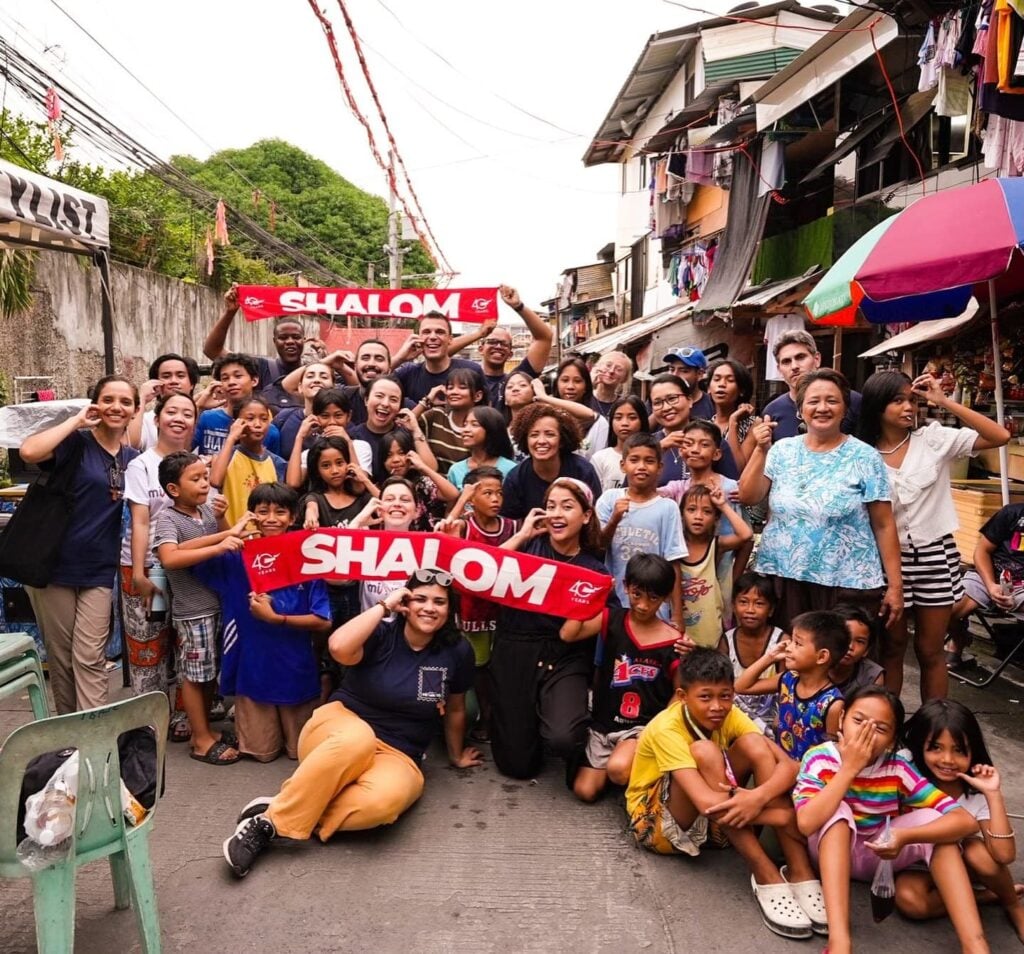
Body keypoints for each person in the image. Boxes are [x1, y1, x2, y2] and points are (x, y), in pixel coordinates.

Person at [222, 570, 481, 878]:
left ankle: (285, 806)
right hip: (340, 728)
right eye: (420, 599)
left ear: (449, 610)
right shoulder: (381, 633)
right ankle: (267, 827)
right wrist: (384, 606)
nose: (429, 608)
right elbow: (337, 647)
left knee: (384, 804)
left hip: (400, 751)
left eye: (439, 602)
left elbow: (454, 709)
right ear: (405, 603)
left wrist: (456, 754)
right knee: (358, 739)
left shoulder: (458, 651)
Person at [626, 649, 823, 940]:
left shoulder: (729, 713)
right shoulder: (667, 728)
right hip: (659, 825)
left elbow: (790, 766)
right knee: (705, 751)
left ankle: (798, 869)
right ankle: (764, 872)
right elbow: (707, 804)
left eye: (726, 695)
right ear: (683, 696)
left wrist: (758, 797)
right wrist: (783, 815)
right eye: (705, 697)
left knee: (755, 745)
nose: (717, 706)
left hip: (721, 819)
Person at [793, 686, 988, 954]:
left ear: (893, 737)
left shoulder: (897, 767)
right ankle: (840, 941)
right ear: (841, 720)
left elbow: (965, 821)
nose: (866, 733)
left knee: (935, 822)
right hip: (829, 851)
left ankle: (975, 945)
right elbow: (806, 823)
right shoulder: (819, 758)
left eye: (880, 729)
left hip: (879, 853)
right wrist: (850, 768)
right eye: (858, 721)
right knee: (837, 812)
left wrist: (906, 837)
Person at [857, 370, 1009, 701]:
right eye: (898, 401)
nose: (909, 407)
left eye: (912, 400)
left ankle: (933, 726)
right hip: (885, 560)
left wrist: (944, 402)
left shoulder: (934, 440)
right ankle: (891, 725)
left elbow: (999, 436)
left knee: (930, 649)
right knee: (892, 648)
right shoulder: (861, 452)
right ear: (878, 405)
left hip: (934, 556)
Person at [739, 369, 902, 631]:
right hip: (783, 576)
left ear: (845, 408)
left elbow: (884, 524)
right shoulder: (782, 450)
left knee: (840, 663)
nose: (822, 408)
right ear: (800, 409)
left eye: (832, 401)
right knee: (790, 656)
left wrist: (895, 586)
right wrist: (760, 449)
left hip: (846, 581)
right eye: (813, 401)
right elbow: (748, 496)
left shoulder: (865, 457)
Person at [21, 375, 140, 714]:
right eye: (108, 399)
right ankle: (68, 734)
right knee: (61, 658)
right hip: (53, 564)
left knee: (90, 655)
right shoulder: (76, 443)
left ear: (134, 410)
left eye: (125, 401)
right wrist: (75, 421)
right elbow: (30, 450)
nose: (116, 407)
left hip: (99, 569)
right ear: (95, 404)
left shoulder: (132, 458)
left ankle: (93, 732)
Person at [191, 483, 332, 762]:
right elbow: (179, 555)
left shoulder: (309, 558)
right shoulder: (236, 555)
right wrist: (229, 531)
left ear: (293, 518)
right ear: (251, 515)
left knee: (301, 753)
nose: (271, 518)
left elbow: (323, 620)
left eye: (280, 512)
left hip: (296, 670)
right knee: (261, 754)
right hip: (252, 670)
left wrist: (276, 618)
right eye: (262, 511)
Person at [492, 478, 611, 779]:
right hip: (514, 648)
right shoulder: (527, 549)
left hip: (564, 655)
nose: (557, 514)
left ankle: (574, 726)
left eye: (567, 507)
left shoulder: (593, 569)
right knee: (517, 766)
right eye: (551, 506)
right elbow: (485, 573)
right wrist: (521, 535)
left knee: (563, 738)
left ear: (586, 516)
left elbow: (607, 616)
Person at [897, 699, 1024, 941]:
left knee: (979, 854)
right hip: (913, 862)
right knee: (911, 902)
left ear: (972, 750)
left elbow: (1005, 855)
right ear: (919, 745)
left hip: (963, 860)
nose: (947, 759)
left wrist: (993, 794)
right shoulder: (906, 765)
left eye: (958, 749)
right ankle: (983, 897)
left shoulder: (974, 788)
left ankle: (1013, 905)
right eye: (935, 747)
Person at [560, 554, 681, 803]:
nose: (643, 605)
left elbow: (680, 696)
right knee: (585, 791)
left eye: (653, 598)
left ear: (666, 596)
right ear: (625, 587)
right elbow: (568, 634)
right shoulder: (612, 619)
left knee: (618, 769)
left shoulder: (674, 642)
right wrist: (589, 596)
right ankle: (625, 770)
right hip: (605, 725)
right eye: (637, 594)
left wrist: (656, 733)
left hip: (640, 729)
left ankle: (645, 772)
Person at [154, 451, 247, 765]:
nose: (205, 484)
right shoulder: (168, 517)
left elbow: (224, 541)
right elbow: (170, 557)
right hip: (194, 611)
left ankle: (204, 729)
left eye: (205, 477)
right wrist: (221, 542)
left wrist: (222, 521)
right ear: (173, 489)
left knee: (208, 674)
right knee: (194, 676)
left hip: (217, 605)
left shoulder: (205, 512)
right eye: (195, 479)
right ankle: (200, 740)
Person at [120, 392, 197, 739]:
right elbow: (139, 522)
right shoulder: (142, 465)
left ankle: (183, 715)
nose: (179, 418)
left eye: (187, 413)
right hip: (151, 568)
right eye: (172, 412)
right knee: (148, 644)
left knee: (185, 642)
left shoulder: (199, 464)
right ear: (157, 419)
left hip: (185, 567)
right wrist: (138, 573)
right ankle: (147, 721)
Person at [436, 467, 520, 741]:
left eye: (499, 493)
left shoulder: (513, 527)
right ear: (472, 497)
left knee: (499, 670)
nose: (496, 498)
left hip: (503, 613)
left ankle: (499, 721)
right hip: (472, 615)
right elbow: (446, 537)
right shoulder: (465, 525)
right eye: (487, 493)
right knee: (479, 670)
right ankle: (482, 719)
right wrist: (463, 498)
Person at [596, 433, 685, 627]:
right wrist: (615, 519)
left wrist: (677, 614)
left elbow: (674, 563)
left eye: (649, 461)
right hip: (614, 603)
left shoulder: (667, 507)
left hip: (654, 607)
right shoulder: (609, 499)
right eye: (634, 460)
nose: (642, 466)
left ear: (660, 468)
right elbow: (597, 546)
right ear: (623, 465)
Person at [735, 610, 848, 763]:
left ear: (822, 656)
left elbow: (832, 753)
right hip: (780, 764)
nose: (788, 648)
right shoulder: (788, 679)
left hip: (809, 776)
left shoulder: (832, 703)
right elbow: (742, 687)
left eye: (798, 644)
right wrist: (770, 657)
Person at [948, 499, 1024, 666]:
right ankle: (959, 639)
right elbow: (982, 551)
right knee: (942, 611)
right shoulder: (1013, 512)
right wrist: (991, 585)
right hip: (989, 577)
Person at [203, 284, 304, 409]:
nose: (290, 341)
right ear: (274, 341)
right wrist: (230, 312)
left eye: (296, 337)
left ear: (304, 340)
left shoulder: (315, 373)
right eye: (283, 338)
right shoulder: (260, 367)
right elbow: (212, 351)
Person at [679, 484, 752, 647]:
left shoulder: (716, 545)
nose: (698, 516)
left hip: (709, 629)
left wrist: (722, 505)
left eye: (707, 511)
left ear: (716, 518)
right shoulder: (675, 547)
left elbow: (746, 535)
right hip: (680, 628)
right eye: (691, 510)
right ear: (682, 514)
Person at [500, 404, 602, 520]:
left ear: (562, 440)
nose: (541, 441)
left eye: (550, 434)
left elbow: (595, 518)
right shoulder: (516, 478)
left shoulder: (583, 470)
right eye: (534, 435)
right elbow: (509, 524)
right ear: (525, 440)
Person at [762, 330, 861, 441]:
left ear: (817, 359)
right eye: (786, 361)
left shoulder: (852, 401)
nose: (794, 366)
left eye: (800, 357)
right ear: (779, 369)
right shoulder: (772, 411)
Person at [722, 572, 786, 734]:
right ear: (734, 606)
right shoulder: (727, 640)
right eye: (743, 602)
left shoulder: (781, 640)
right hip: (734, 717)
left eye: (759, 604)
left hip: (772, 719)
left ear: (770, 610)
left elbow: (787, 686)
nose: (750, 610)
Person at [209, 395, 287, 526]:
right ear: (236, 423)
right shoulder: (226, 455)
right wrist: (231, 438)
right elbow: (215, 480)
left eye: (264, 419)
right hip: (231, 536)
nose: (257, 424)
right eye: (250, 419)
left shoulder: (276, 462)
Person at [476, 285, 553, 409]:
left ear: (510, 354)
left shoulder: (516, 381)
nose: (498, 346)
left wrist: (518, 306)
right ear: (481, 349)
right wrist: (477, 334)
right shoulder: (468, 381)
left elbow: (544, 338)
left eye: (504, 344)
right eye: (492, 341)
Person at [193, 353, 282, 458]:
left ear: (254, 380)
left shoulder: (268, 431)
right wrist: (198, 408)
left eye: (238, 376)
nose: (231, 382)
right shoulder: (207, 418)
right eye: (225, 378)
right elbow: (183, 450)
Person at [392, 311, 484, 404]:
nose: (432, 337)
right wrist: (399, 358)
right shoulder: (407, 373)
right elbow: (378, 380)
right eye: (426, 332)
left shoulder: (472, 370)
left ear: (450, 339)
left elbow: (486, 412)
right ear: (418, 338)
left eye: (440, 332)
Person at [416, 367, 487, 476]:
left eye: (462, 387)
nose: (454, 392)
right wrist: (427, 400)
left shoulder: (483, 426)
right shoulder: (436, 415)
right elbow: (405, 422)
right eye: (450, 387)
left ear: (477, 396)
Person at [127, 352, 201, 451]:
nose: (174, 381)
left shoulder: (204, 417)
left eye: (180, 376)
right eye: (166, 376)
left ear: (192, 384)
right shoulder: (146, 420)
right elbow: (131, 444)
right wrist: (142, 397)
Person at [706, 358, 757, 479]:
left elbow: (737, 469)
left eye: (730, 380)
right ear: (708, 388)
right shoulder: (706, 427)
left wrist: (733, 422)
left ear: (742, 391)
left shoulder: (753, 424)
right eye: (716, 379)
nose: (721, 384)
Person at [444, 406, 517, 491]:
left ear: (491, 428)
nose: (465, 430)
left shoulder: (510, 469)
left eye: (474, 425)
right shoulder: (455, 469)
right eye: (465, 425)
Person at [273, 362, 335, 460]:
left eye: (324, 377)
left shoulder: (342, 423)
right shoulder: (284, 417)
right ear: (300, 387)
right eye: (310, 376)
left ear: (333, 387)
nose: (317, 380)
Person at [551, 357, 609, 457]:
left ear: (586, 386)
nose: (570, 386)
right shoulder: (546, 418)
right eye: (565, 380)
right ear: (557, 384)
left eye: (577, 381)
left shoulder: (598, 423)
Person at [590, 395, 650, 492]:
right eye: (618, 418)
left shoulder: (651, 457)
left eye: (632, 417)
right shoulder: (600, 458)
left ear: (642, 421)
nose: (624, 423)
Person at [829, 604, 884, 695]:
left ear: (866, 650)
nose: (850, 646)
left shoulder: (871, 676)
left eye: (859, 641)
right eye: (845, 637)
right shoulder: (809, 665)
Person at [648, 373, 692, 486]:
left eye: (672, 399)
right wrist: (657, 449)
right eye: (657, 403)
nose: (666, 408)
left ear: (690, 400)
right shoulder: (645, 444)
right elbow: (628, 490)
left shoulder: (711, 438)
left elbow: (732, 491)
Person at [663, 347, 713, 420]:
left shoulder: (711, 405)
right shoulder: (657, 401)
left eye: (684, 371)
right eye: (672, 369)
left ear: (700, 374)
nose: (675, 375)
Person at [589, 351, 634, 418]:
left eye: (619, 369)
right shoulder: (584, 397)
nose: (611, 371)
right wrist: (589, 384)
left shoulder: (624, 405)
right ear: (598, 367)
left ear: (624, 378)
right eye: (608, 365)